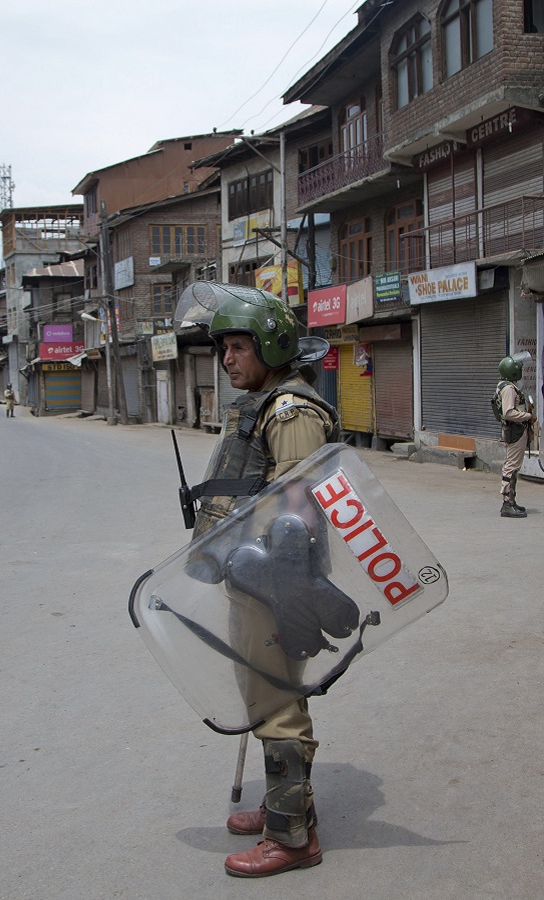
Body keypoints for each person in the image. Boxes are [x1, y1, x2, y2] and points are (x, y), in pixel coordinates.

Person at [187, 283, 338, 878]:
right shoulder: (264, 405)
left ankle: (292, 837)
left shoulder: (292, 412)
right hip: (251, 578)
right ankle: (288, 805)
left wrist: (271, 579)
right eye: (222, 346)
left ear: (270, 346)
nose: (227, 358)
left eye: (237, 346)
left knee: (277, 700)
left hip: (276, 584)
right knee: (261, 692)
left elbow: (296, 513)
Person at [493, 352, 535, 518]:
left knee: (514, 465)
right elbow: (509, 412)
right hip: (515, 430)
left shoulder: (504, 386)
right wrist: (528, 416)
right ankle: (507, 503)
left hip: (514, 430)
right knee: (511, 466)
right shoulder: (509, 389)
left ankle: (511, 500)